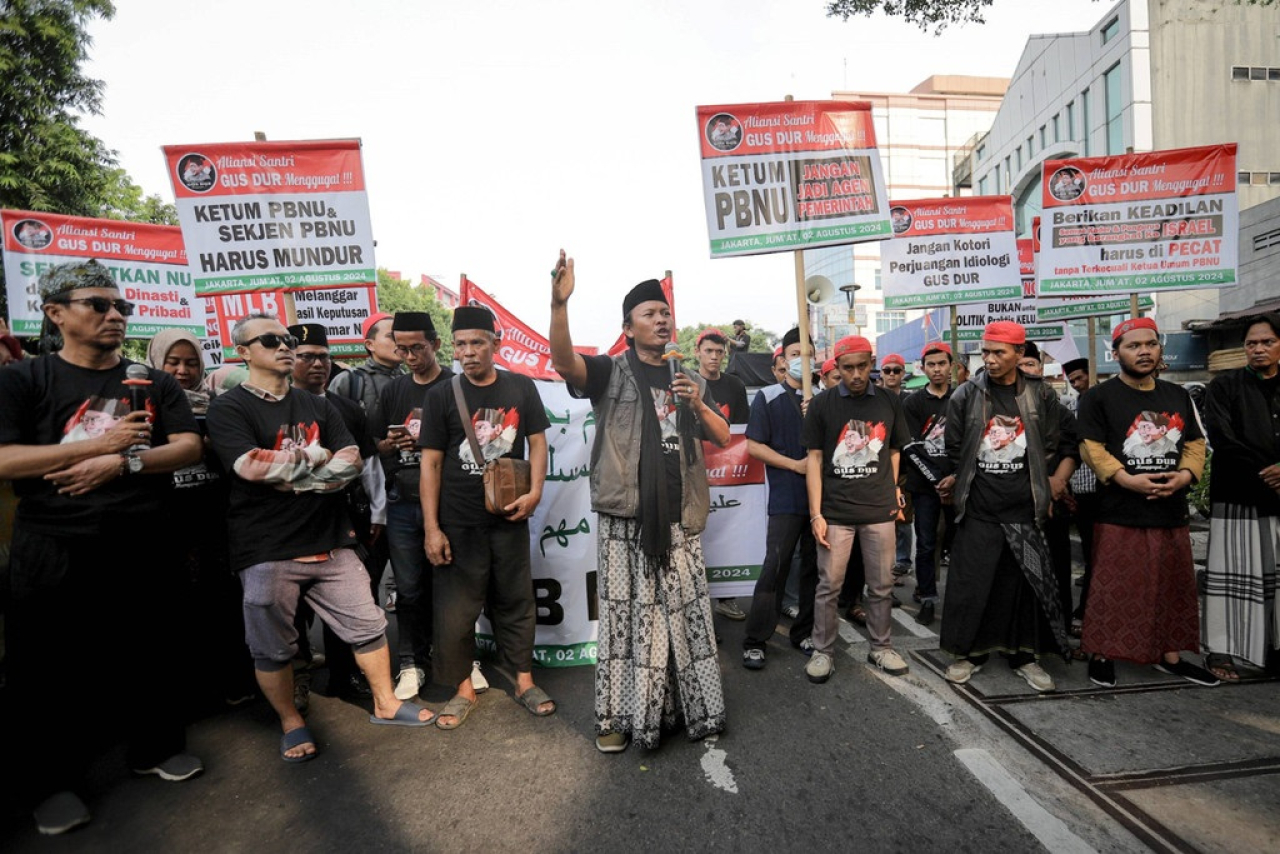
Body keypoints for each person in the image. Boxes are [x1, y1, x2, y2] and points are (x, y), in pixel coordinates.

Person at [0, 260, 205, 835]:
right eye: (98, 304)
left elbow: (188, 446)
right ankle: (51, 784)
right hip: (54, 544)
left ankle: (155, 748)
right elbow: (5, 459)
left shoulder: (151, 381)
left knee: (150, 650)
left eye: (121, 307)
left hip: (142, 537)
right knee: (47, 669)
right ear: (56, 313)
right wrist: (93, 449)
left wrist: (124, 463)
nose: (115, 315)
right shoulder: (25, 380)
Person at [207, 314, 433, 765]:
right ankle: (291, 722)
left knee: (368, 624)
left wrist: (294, 478)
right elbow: (249, 466)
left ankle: (386, 703)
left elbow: (351, 460)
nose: (284, 346)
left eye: (286, 339)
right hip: (267, 548)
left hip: (331, 540)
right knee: (272, 647)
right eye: (270, 340)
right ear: (243, 352)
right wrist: (314, 457)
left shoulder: (319, 405)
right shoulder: (229, 408)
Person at [549, 250, 729, 753]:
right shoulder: (610, 372)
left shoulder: (688, 376)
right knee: (624, 624)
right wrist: (559, 306)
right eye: (650, 313)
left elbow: (721, 434)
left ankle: (695, 711)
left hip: (680, 517)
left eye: (666, 312)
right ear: (628, 328)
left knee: (687, 621)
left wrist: (696, 401)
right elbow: (563, 363)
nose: (662, 320)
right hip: (625, 519)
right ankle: (617, 718)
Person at [420, 305, 553, 729]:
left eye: (477, 342)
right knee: (456, 610)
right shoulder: (441, 394)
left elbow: (538, 443)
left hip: (509, 515)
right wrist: (432, 528)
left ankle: (524, 681)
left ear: (496, 344)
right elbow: (431, 464)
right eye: (461, 344)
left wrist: (535, 492)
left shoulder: (521, 387)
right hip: (458, 521)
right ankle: (462, 689)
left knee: (516, 601)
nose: (468, 351)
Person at [1076, 317, 1216, 687]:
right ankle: (1101, 653)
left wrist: (1185, 476)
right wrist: (1125, 479)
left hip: (1170, 509)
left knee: (1172, 587)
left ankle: (1170, 657)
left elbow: (1194, 442)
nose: (1143, 351)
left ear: (1159, 349)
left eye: (1150, 344)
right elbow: (1090, 447)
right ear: (1116, 352)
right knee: (1114, 588)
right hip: (1119, 511)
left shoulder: (1177, 395)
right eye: (1133, 345)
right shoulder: (1098, 397)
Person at [937, 321, 1076, 692]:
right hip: (978, 508)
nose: (990, 359)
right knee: (972, 584)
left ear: (1019, 353)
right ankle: (968, 655)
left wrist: (1037, 485)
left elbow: (1050, 443)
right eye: (986, 352)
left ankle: (1025, 657)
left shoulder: (1040, 394)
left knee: (1025, 586)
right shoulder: (965, 394)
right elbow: (955, 447)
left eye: (999, 352)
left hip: (1024, 509)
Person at [146, 329, 256, 709]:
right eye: (173, 362)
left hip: (217, 521)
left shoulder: (220, 406)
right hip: (168, 524)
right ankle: (192, 694)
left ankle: (234, 682)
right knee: (177, 609)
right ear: (156, 363)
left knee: (224, 604)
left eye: (191, 363)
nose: (182, 371)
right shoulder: (142, 408)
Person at [368, 311, 470, 701]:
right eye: (402, 349)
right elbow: (374, 444)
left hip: (449, 501)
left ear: (436, 345)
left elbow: (470, 446)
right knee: (408, 589)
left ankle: (462, 660)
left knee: (453, 588)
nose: (409, 357)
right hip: (402, 501)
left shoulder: (457, 387)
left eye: (417, 348)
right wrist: (391, 444)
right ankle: (412, 662)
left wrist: (430, 444)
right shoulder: (393, 390)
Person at [287, 323, 388, 703]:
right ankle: (297, 676)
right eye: (307, 357)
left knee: (352, 597)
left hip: (345, 518)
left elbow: (370, 464)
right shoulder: (276, 407)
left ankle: (345, 675)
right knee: (294, 606)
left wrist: (378, 513)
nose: (318, 364)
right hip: (292, 521)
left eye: (324, 357)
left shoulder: (346, 408)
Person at [804, 335, 912, 683]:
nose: (855, 374)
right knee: (828, 587)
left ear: (871, 364)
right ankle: (823, 651)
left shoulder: (889, 401)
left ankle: (881, 647)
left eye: (862, 366)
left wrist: (893, 491)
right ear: (836, 366)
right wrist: (816, 514)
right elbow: (814, 459)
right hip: (835, 512)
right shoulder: (822, 405)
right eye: (847, 368)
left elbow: (894, 450)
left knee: (881, 586)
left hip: (879, 510)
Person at [1201, 313, 1280, 680]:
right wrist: (1269, 473)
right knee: (1234, 577)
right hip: (1238, 495)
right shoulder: (1224, 386)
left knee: (1276, 579)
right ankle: (1223, 651)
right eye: (1252, 343)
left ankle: (1274, 652)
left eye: (1267, 342)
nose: (1258, 349)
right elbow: (1222, 437)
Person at [741, 327, 818, 669]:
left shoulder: (823, 398)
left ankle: (804, 633)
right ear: (783, 359)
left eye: (807, 354)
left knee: (813, 571)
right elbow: (754, 445)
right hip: (785, 498)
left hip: (821, 503)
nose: (801, 360)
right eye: (795, 354)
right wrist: (794, 465)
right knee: (775, 568)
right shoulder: (768, 397)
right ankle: (756, 640)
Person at [328, 312, 402, 608]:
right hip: (365, 497)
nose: (400, 342)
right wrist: (377, 447)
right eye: (392, 336)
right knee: (364, 580)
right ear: (370, 344)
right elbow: (334, 435)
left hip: (407, 494)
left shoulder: (412, 379)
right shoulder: (349, 382)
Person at [695, 327, 751, 622]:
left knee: (728, 530)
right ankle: (698, 603)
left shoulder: (735, 385)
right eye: (709, 351)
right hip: (696, 469)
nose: (714, 357)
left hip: (728, 469)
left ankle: (727, 598)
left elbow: (742, 429)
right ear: (697, 353)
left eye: (719, 352)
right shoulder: (686, 383)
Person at [901, 342, 956, 626]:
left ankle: (961, 599)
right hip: (924, 488)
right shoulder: (913, 403)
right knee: (925, 544)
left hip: (959, 485)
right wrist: (937, 481)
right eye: (931, 365)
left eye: (942, 364)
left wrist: (955, 478)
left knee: (961, 544)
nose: (937, 369)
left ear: (951, 366)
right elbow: (910, 447)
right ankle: (927, 597)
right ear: (923, 368)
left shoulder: (963, 398)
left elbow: (973, 442)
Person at [1060, 357, 1100, 639]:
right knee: (1091, 556)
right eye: (1072, 380)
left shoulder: (1105, 403)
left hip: (1108, 490)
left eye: (1080, 378)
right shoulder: (1072, 407)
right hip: (1081, 492)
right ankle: (1084, 610)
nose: (1076, 384)